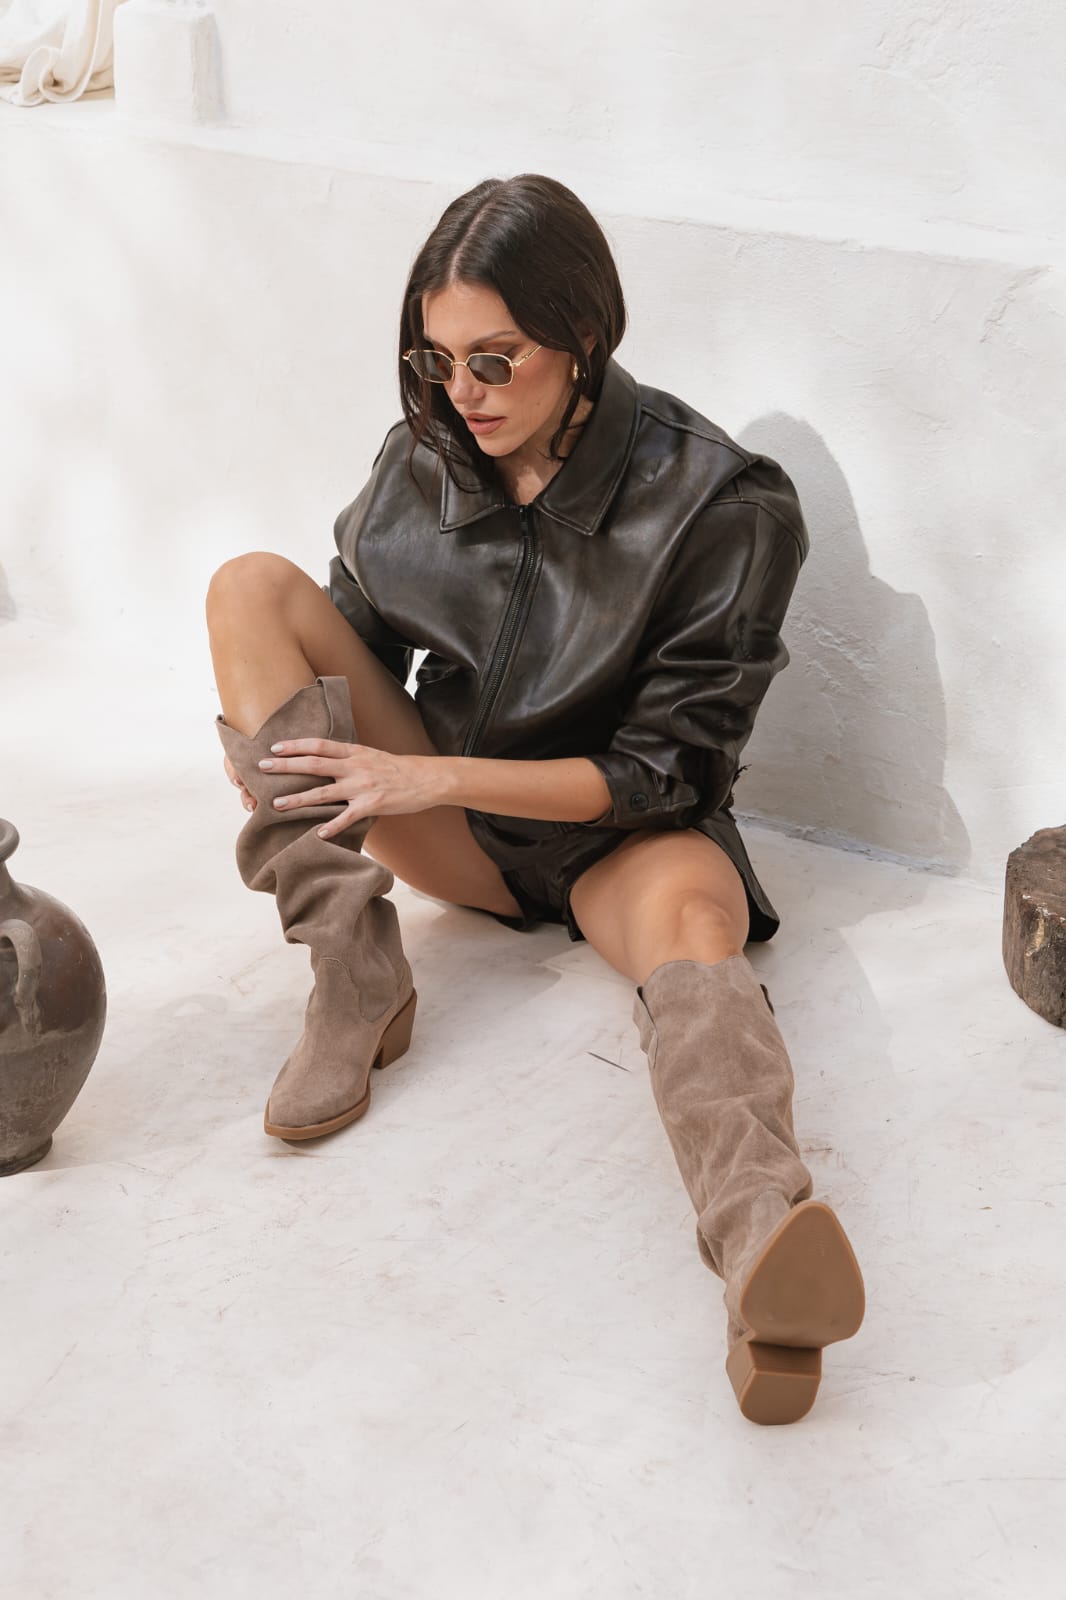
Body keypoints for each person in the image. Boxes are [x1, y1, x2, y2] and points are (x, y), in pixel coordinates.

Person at [206, 173, 865, 1426]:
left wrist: (431, 774)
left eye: (496, 359)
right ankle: (354, 977)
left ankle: (762, 1254)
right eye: (438, 360)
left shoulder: (724, 505)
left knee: (695, 928)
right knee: (248, 586)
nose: (464, 393)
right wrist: (279, 748)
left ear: (583, 335)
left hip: (623, 839)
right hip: (453, 836)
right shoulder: (426, 453)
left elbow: (669, 773)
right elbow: (347, 634)